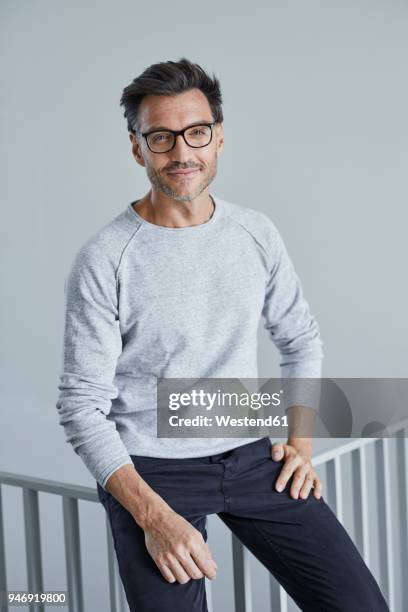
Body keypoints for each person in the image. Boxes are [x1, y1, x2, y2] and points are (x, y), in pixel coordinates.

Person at [56, 57, 389, 611]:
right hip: (151, 473)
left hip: (253, 453)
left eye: (196, 133)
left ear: (218, 139)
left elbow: (300, 338)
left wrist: (300, 442)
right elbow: (81, 406)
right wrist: (153, 515)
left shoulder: (255, 232)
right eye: (161, 137)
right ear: (137, 148)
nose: (182, 153)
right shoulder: (105, 259)